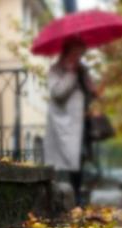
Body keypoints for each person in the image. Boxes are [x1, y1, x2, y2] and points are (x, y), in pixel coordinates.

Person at [44, 37, 96, 206]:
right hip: (63, 124)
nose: (79, 56)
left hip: (81, 123)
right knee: (65, 161)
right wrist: (70, 74)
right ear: (67, 51)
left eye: (81, 53)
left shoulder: (82, 71)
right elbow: (57, 94)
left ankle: (78, 195)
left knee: (79, 159)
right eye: (76, 52)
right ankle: (65, 197)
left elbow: (90, 94)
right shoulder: (56, 70)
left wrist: (89, 85)